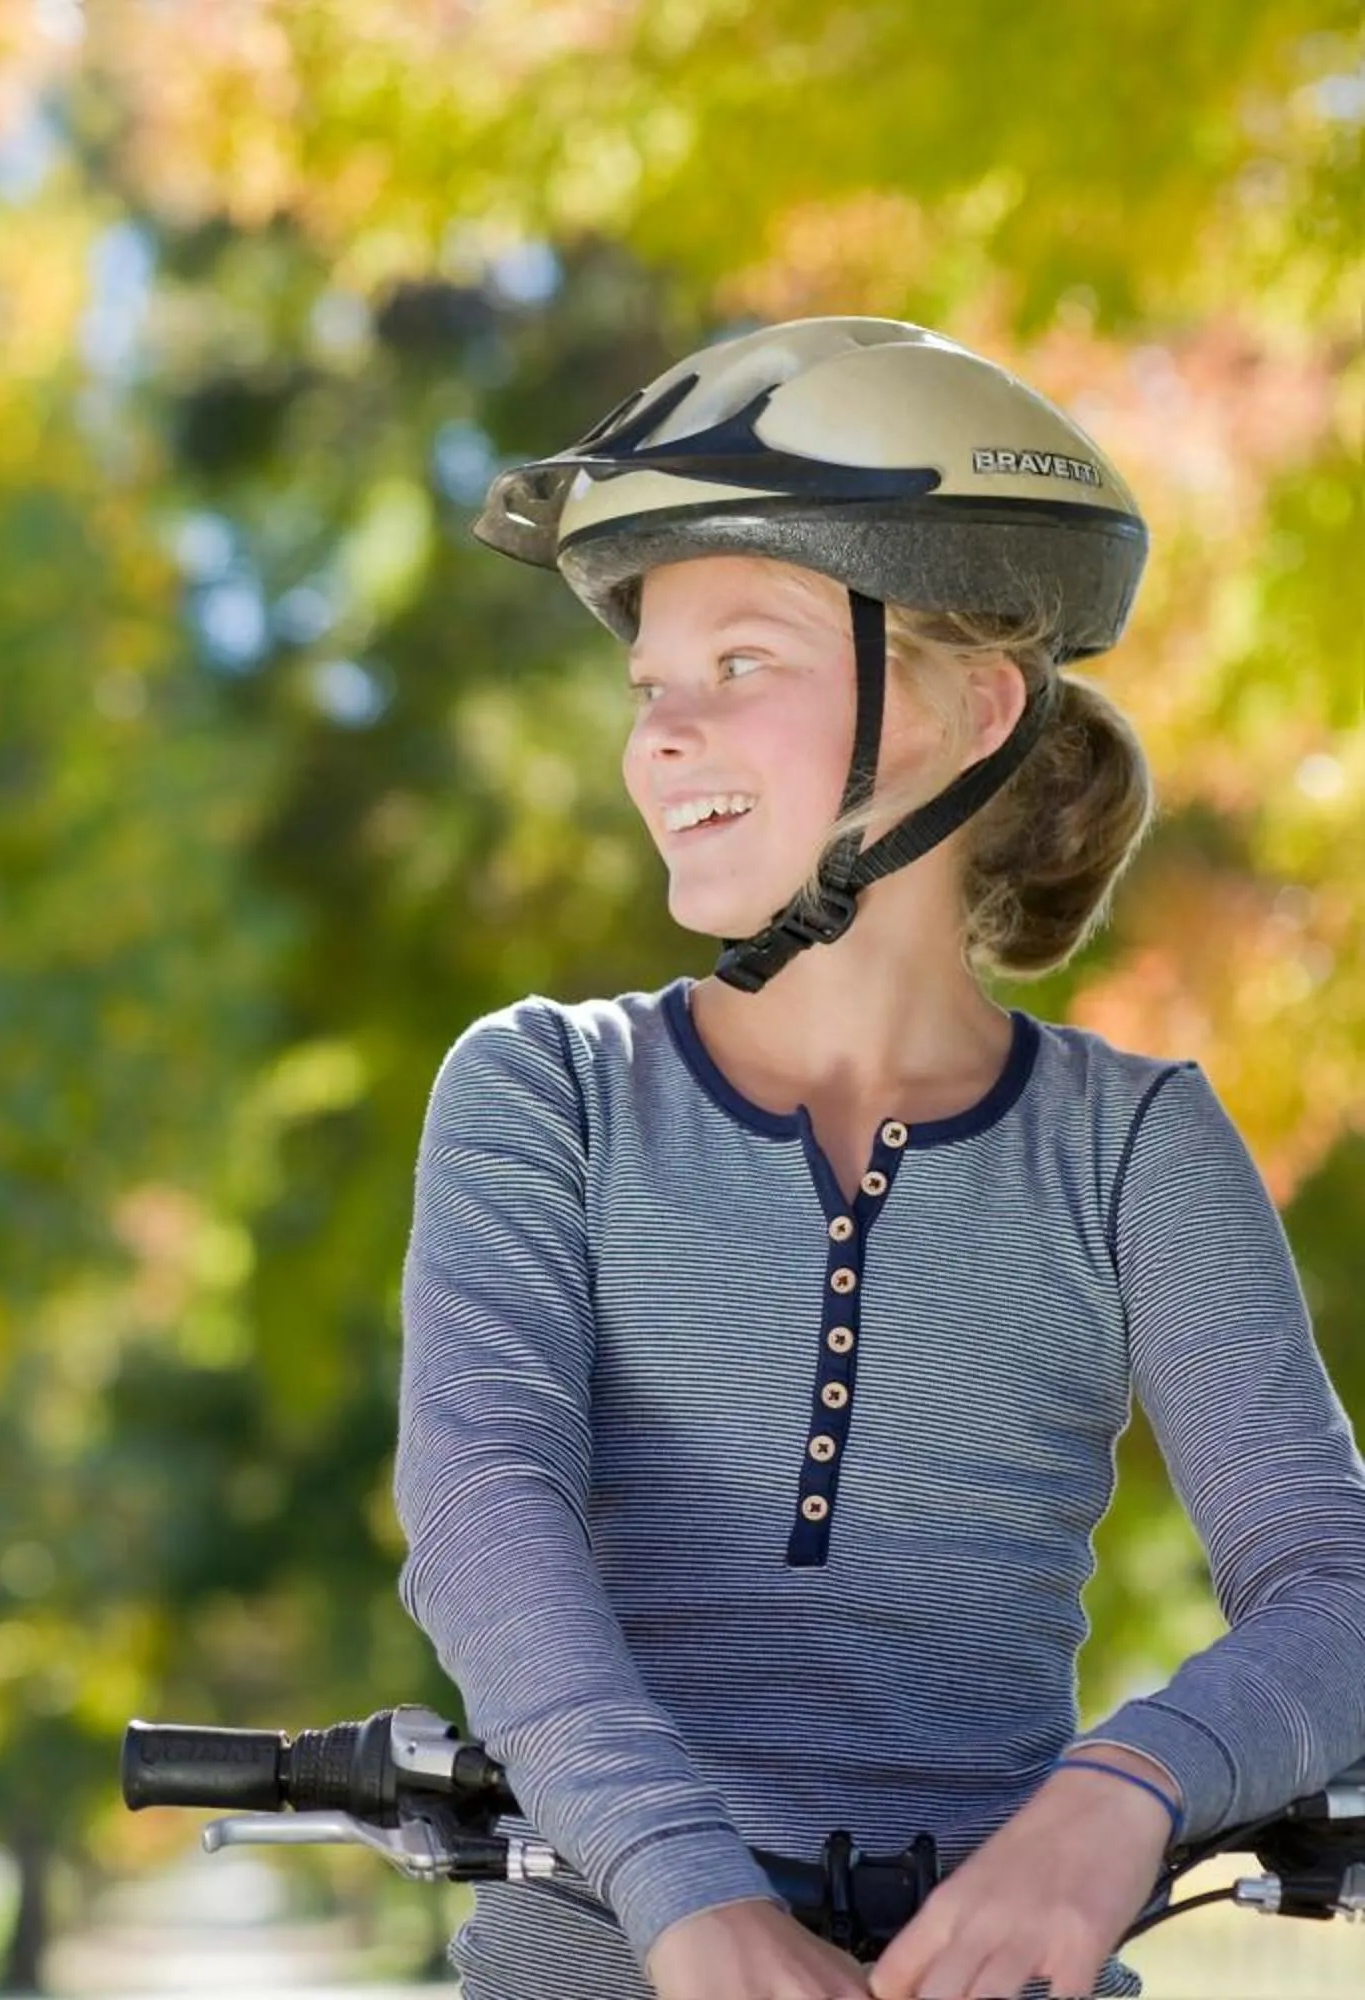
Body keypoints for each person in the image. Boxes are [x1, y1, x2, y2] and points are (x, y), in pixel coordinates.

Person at [397, 316, 1365, 2000]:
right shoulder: (544, 1093)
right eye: (648, 689)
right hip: (604, 1953)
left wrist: (1118, 1796)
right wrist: (689, 1897)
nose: (660, 740)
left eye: (742, 665)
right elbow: (488, 1513)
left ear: (966, 707)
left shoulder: (1132, 1148)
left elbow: (1337, 1577)